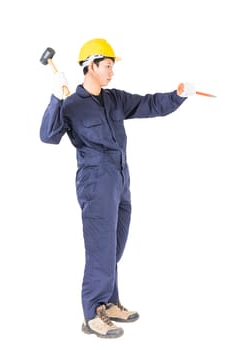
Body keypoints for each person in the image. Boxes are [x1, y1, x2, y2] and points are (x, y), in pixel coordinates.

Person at [40, 38, 195, 338]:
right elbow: (48, 135)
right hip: (96, 183)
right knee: (101, 249)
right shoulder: (70, 105)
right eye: (108, 65)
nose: (112, 71)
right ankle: (91, 313)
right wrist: (55, 98)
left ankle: (109, 302)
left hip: (121, 180)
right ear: (91, 66)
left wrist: (177, 96)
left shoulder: (114, 100)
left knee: (114, 246)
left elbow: (148, 104)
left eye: (112, 66)